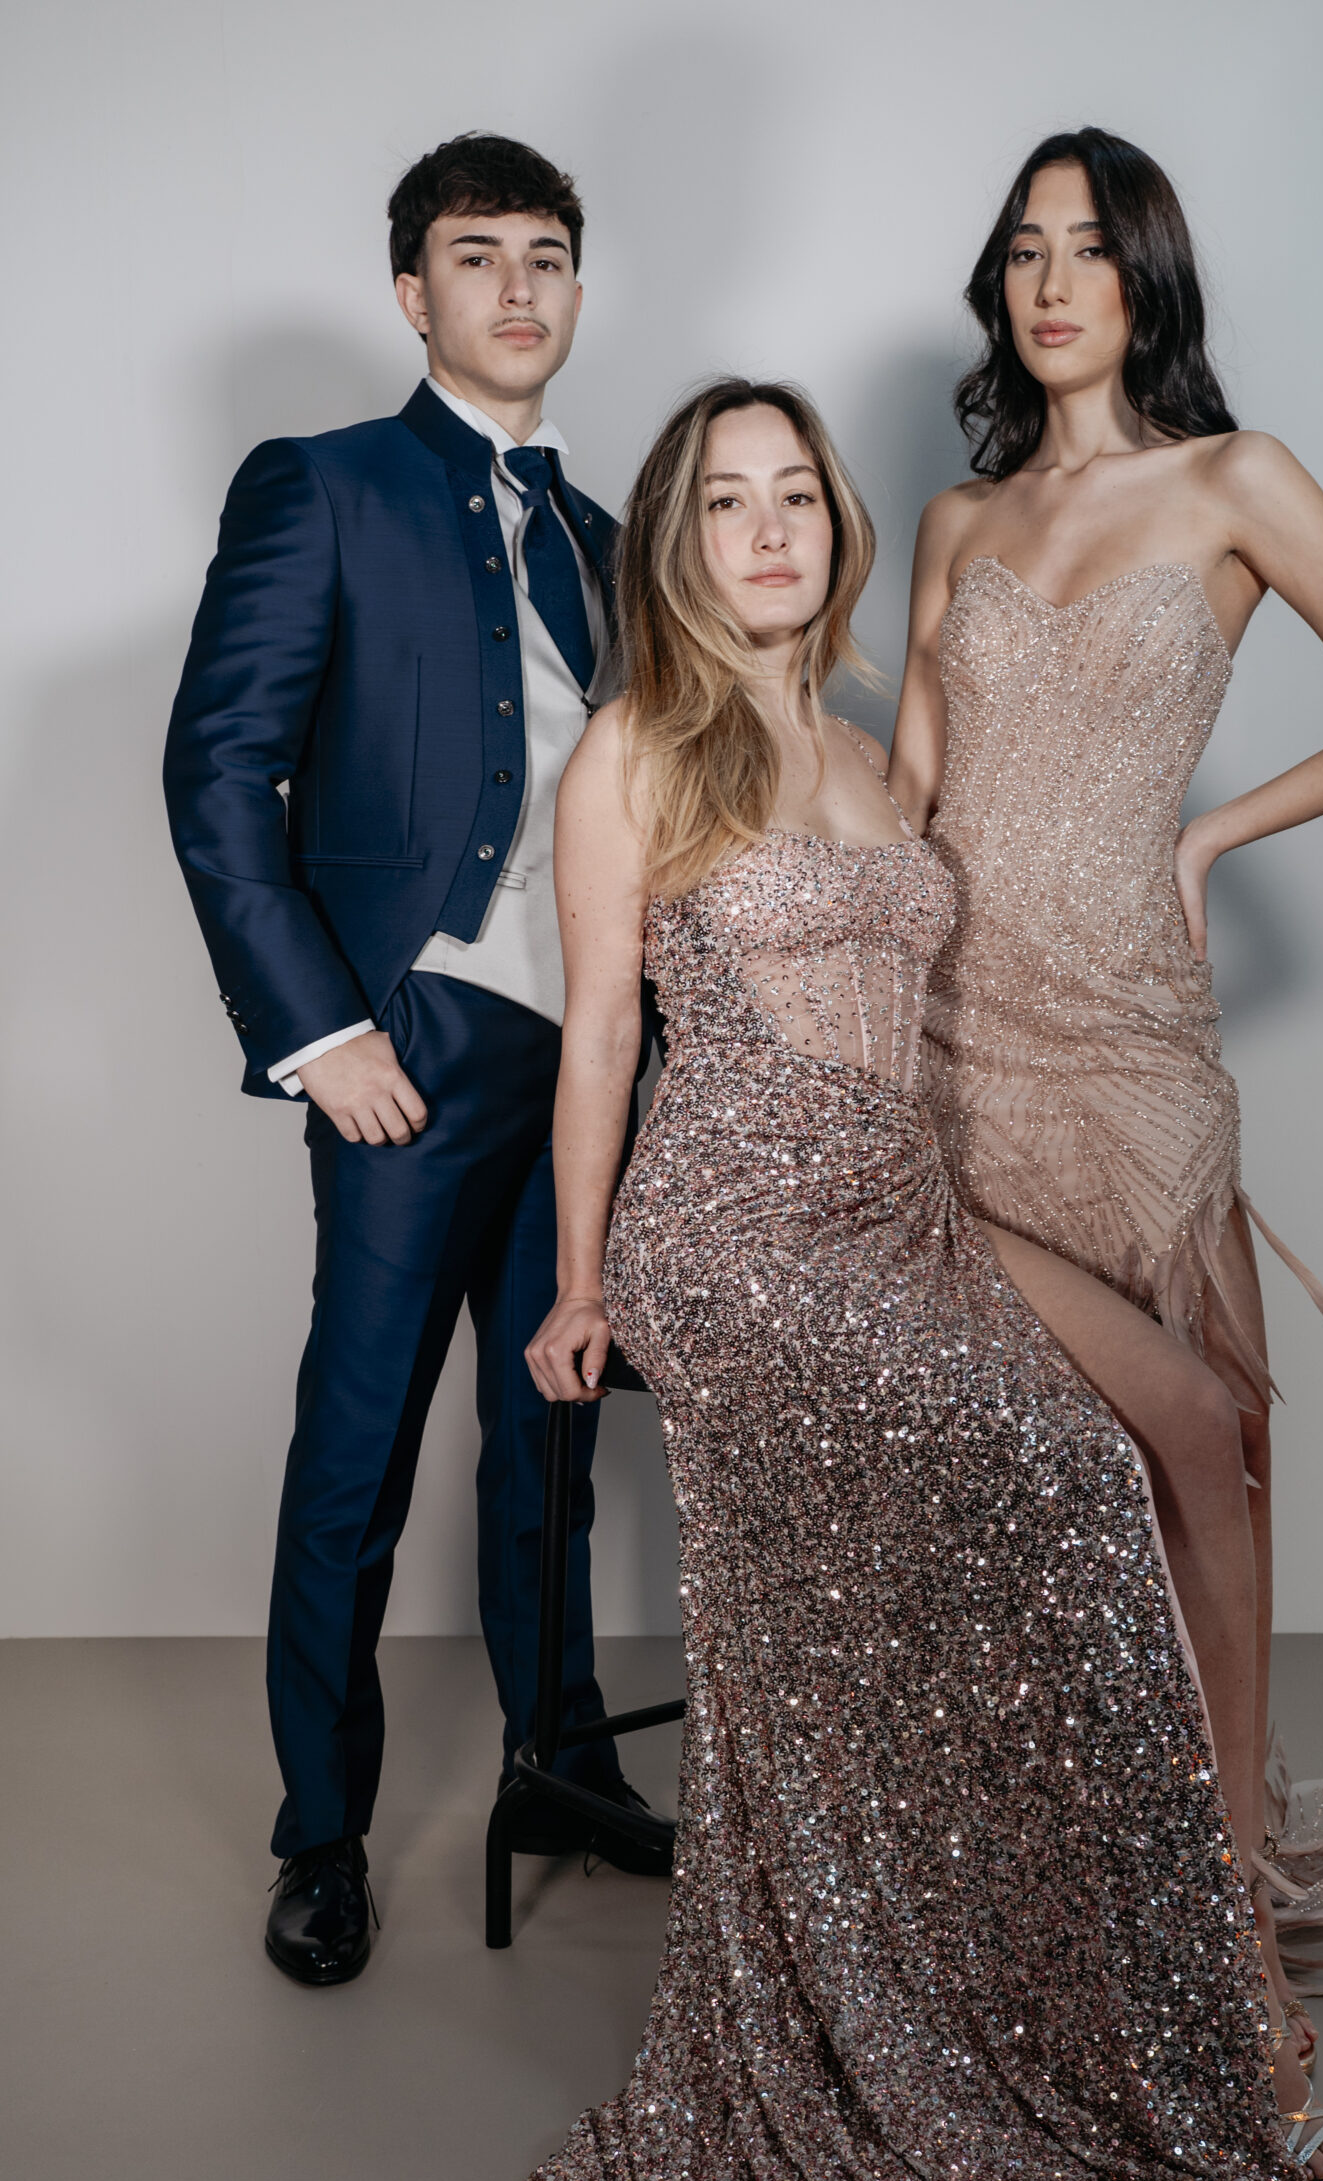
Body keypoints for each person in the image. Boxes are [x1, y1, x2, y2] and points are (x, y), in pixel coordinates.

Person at [296, 378, 1323, 2181]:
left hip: (901, 1205)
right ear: (677, 540)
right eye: (728, 498)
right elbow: (601, 1033)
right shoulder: (639, 748)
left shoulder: (876, 747)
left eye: (797, 494)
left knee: (1166, 1424)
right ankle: (969, 2022)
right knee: (1046, 1483)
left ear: (837, 534)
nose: (769, 526)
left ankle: (1117, 1999)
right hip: (736, 1231)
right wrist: (580, 1282)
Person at [887, 127, 1323, 2172]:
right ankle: (1022, 1939)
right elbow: (908, 804)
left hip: (1133, 1056)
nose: (1052, 283)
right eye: (1022, 251)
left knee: (1211, 1468)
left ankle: (1229, 1958)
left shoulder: (1234, 481)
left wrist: (1211, 833)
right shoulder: (953, 515)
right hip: (957, 1052)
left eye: (1088, 248)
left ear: (1145, 277)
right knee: (1008, 1515)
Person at [163, 133, 668, 1991]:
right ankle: (322, 1836)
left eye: (547, 255)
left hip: (592, 1058)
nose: (518, 287)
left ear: (577, 290)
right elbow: (219, 767)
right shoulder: (325, 485)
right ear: (412, 293)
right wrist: (321, 1030)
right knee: (357, 1453)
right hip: (412, 1042)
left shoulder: (615, 542)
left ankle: (560, 1765)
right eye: (477, 255)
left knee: (552, 1437)